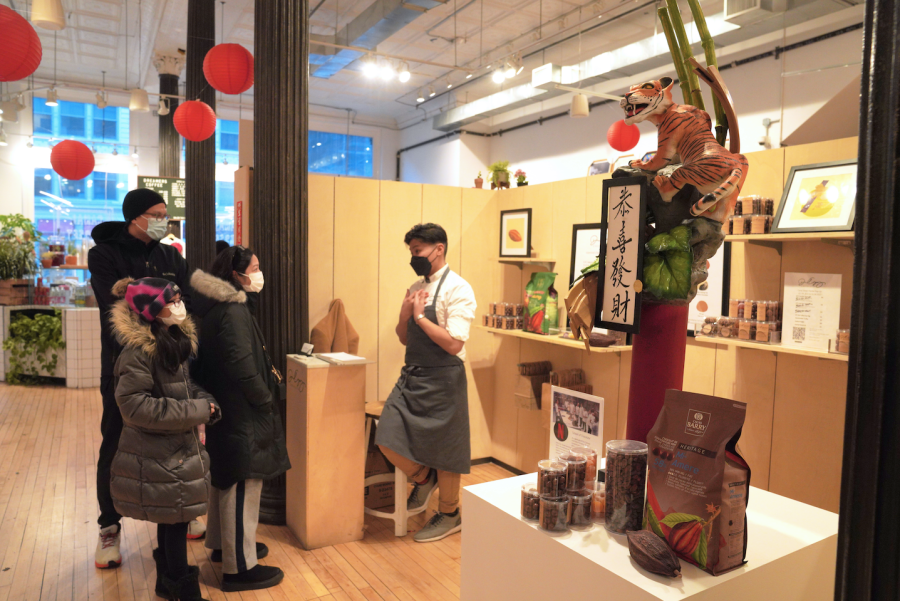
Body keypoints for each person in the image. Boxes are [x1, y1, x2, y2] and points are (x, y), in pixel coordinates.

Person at [88, 188, 203, 569]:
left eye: (165, 213)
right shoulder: (105, 254)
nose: (162, 220)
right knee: (116, 440)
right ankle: (109, 526)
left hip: (173, 363)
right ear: (134, 217)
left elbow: (185, 304)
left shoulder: (170, 254)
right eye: (155, 213)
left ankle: (178, 514)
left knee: (176, 439)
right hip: (127, 363)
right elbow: (115, 307)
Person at [107, 277, 220, 601]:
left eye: (180, 299)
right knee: (176, 519)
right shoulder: (139, 352)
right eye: (172, 302)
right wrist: (197, 410)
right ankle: (183, 590)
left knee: (173, 517)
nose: (179, 306)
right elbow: (135, 406)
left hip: (173, 450)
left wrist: (206, 404)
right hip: (158, 452)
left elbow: (182, 388)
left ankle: (166, 582)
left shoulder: (171, 340)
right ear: (153, 310)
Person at [189, 247, 290, 592]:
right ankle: (239, 567)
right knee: (244, 481)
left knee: (226, 478)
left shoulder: (220, 307)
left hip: (227, 407)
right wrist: (264, 399)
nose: (260, 274)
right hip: (241, 410)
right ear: (237, 275)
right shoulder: (233, 310)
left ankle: (222, 545)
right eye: (256, 268)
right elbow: (242, 364)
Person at [376, 223, 476, 543]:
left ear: (439, 249)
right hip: (414, 375)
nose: (414, 257)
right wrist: (405, 315)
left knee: (446, 449)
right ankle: (423, 477)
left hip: (445, 377)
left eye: (417, 251)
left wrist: (420, 317)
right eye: (411, 252)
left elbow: (455, 344)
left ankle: (450, 513)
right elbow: (404, 338)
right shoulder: (416, 285)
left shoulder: (458, 288)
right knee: (386, 436)